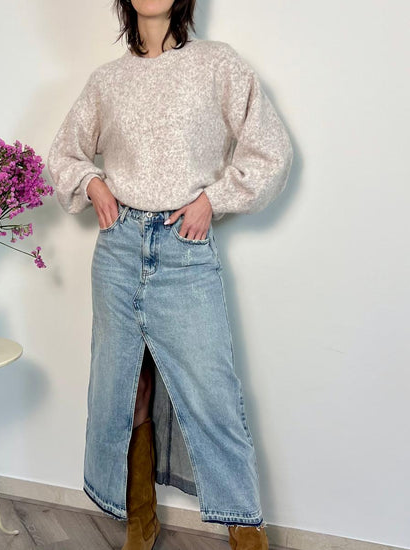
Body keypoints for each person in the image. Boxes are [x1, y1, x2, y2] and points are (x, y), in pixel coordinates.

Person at [47, 0, 293, 548]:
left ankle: (246, 533)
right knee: (124, 387)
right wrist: (92, 183)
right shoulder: (107, 81)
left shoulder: (217, 64)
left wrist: (214, 200)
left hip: (184, 249)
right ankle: (141, 520)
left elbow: (271, 151)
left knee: (212, 394)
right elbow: (63, 154)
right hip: (118, 249)